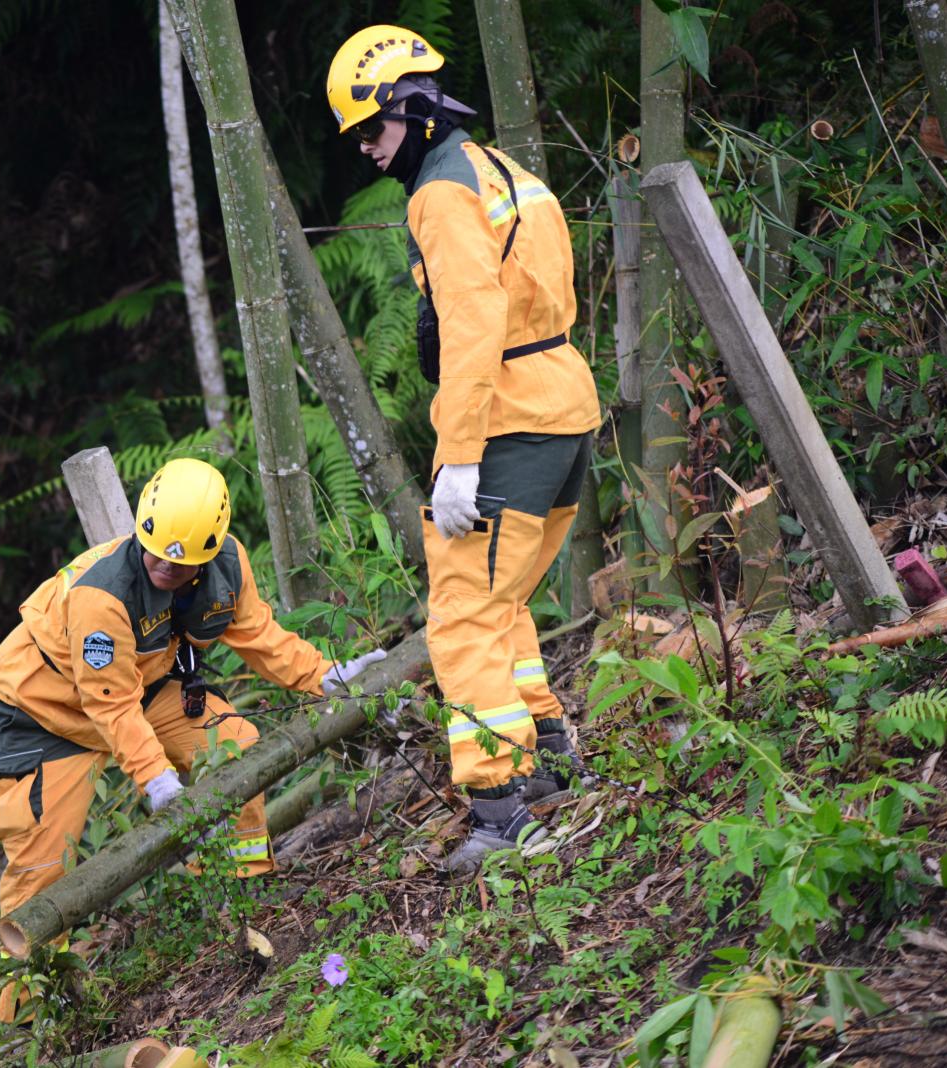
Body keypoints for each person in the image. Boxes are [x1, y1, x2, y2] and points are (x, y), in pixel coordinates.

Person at [326, 27, 602, 871]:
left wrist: (459, 456)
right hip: (565, 401)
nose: (369, 153)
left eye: (371, 132)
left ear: (408, 109)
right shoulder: (501, 170)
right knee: (505, 599)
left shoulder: (439, 196)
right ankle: (550, 761)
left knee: (462, 618)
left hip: (509, 418)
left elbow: (474, 327)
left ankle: (499, 810)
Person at [0, 457, 384, 1021]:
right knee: (43, 864)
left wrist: (324, 676)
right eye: (155, 555)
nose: (163, 568)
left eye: (180, 564)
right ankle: (26, 1015)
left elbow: (258, 635)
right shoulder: (101, 596)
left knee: (235, 747)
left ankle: (234, 901)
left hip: (142, 685)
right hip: (45, 713)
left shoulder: (228, 566)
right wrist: (157, 778)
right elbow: (107, 703)